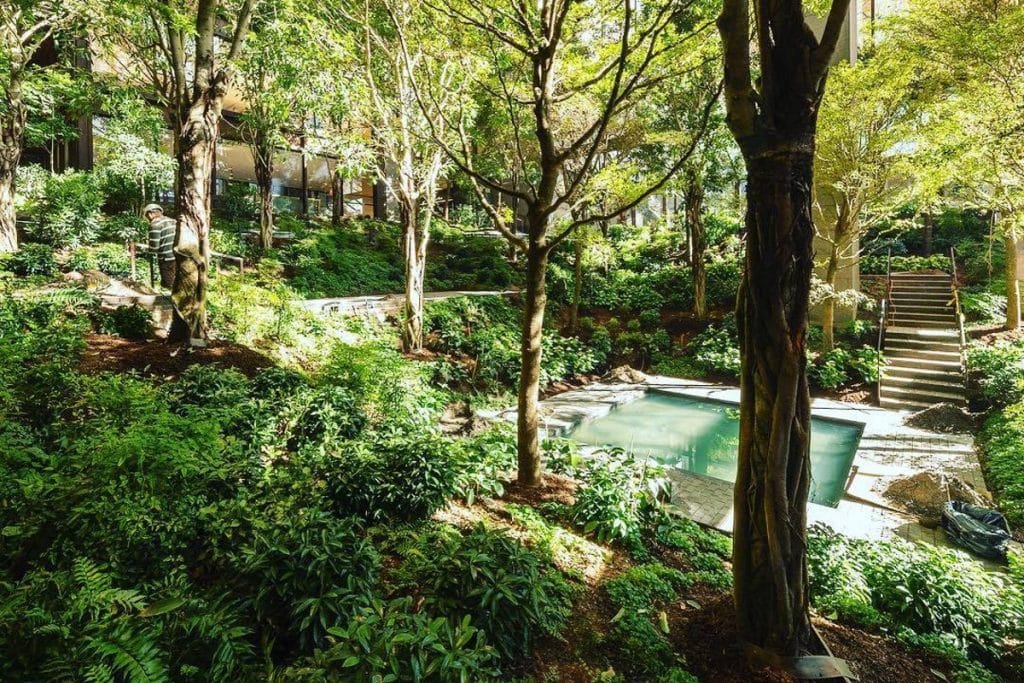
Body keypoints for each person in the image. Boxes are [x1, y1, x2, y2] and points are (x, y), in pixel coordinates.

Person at [144, 204, 177, 288]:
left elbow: (154, 247)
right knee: (177, 283)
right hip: (178, 256)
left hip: (166, 258)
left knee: (168, 284)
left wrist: (148, 248)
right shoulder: (173, 221)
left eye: (147, 216)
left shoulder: (155, 224)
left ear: (150, 214)